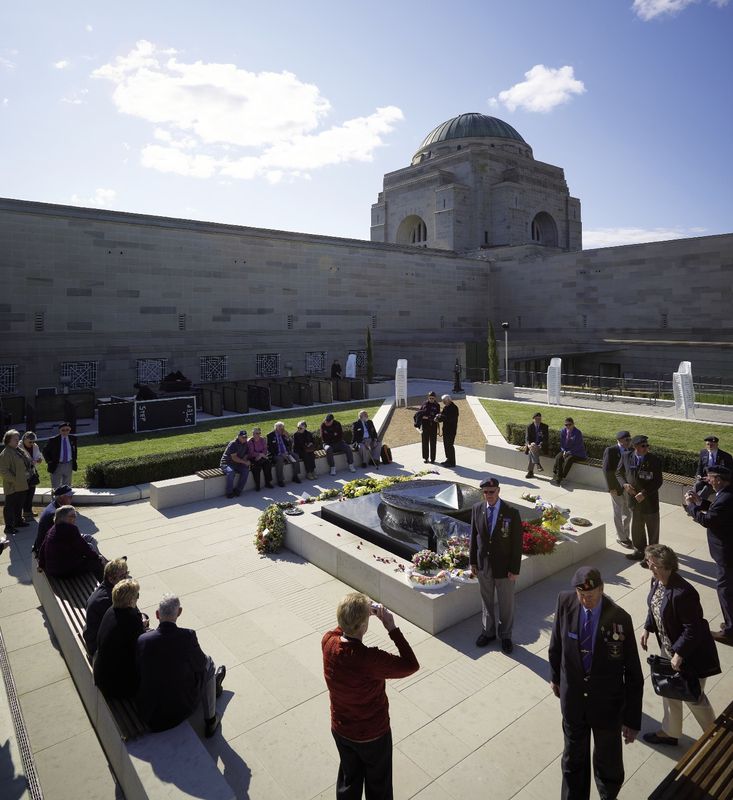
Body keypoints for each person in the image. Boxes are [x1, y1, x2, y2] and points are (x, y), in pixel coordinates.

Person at [548, 566, 643, 800]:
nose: (586, 600)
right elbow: (556, 645)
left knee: (608, 764)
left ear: (602, 589)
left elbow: (633, 673)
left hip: (606, 706)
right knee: (572, 762)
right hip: (574, 704)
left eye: (591, 595)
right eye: (582, 595)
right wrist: (556, 678)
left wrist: (631, 719)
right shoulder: (565, 602)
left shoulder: (620, 619)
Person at [322, 592, 419, 799]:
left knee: (349, 780)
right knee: (379, 786)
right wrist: (391, 628)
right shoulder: (369, 660)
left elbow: (342, 628)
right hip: (372, 734)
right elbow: (411, 665)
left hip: (341, 729)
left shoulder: (328, 642)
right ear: (364, 626)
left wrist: (356, 615)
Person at [640, 544, 720, 746]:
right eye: (649, 562)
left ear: (667, 566)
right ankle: (670, 732)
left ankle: (714, 735)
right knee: (669, 691)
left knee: (694, 697)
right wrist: (648, 628)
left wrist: (679, 653)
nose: (650, 567)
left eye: (653, 564)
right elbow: (654, 606)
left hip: (690, 654)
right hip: (669, 649)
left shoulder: (684, 592)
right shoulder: (657, 581)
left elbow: (692, 629)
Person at [136, 593, 226, 737]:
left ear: (157, 614)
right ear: (179, 612)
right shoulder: (187, 636)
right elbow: (201, 664)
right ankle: (211, 720)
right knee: (208, 663)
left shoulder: (143, 640)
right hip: (179, 710)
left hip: (151, 713)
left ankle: (214, 687)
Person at [469, 476, 522, 654]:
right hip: (484, 565)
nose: (488, 495)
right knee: (486, 601)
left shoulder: (511, 512)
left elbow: (516, 543)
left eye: (491, 492)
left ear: (498, 491)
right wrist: (473, 562)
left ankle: (505, 635)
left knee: (506, 603)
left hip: (504, 568)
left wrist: (514, 569)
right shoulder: (477, 509)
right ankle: (488, 632)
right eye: (485, 492)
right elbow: (474, 537)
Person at [684, 464, 733, 646]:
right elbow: (716, 510)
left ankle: (730, 632)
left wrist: (690, 507)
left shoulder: (726, 498)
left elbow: (708, 519)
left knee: (726, 592)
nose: (707, 480)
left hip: (727, 555)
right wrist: (699, 502)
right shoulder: (727, 495)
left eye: (710, 478)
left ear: (718, 480)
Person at [93, 578, 147, 699]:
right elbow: (142, 650)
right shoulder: (131, 622)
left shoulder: (111, 611)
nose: (138, 598)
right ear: (130, 600)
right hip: (116, 687)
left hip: (102, 675)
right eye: (137, 595)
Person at [616, 434, 663, 566]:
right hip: (634, 501)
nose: (646, 448)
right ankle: (639, 552)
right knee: (637, 528)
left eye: (647, 445)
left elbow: (658, 481)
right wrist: (624, 485)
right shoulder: (626, 456)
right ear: (635, 447)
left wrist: (644, 493)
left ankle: (651, 558)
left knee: (652, 530)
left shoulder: (654, 460)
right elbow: (619, 473)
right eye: (643, 446)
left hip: (649, 502)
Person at [37, 505, 106, 581]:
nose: (75, 518)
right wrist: (98, 558)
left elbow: (43, 547)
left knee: (90, 547)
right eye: (72, 516)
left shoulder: (53, 528)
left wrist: (41, 564)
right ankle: (105, 586)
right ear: (63, 517)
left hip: (53, 569)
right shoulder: (71, 529)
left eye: (75, 515)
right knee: (96, 564)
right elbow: (84, 549)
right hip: (63, 571)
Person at [83, 557, 131, 657]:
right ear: (111, 579)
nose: (127, 578)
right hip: (99, 647)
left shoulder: (106, 589)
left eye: (127, 573)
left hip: (93, 636)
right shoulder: (110, 600)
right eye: (122, 576)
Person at [602, 431, 633, 549]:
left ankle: (625, 535)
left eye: (630, 440)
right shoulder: (611, 450)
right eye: (627, 440)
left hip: (628, 487)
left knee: (628, 512)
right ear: (619, 440)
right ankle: (621, 538)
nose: (629, 442)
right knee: (618, 512)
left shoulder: (631, 450)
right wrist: (611, 488)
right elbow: (606, 470)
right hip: (616, 488)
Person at [0, 429, 30, 535]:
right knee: (10, 506)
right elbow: (4, 471)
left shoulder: (17, 450)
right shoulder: (6, 453)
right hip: (12, 485)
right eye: (15, 439)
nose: (17, 441)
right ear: (8, 440)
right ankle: (9, 527)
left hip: (21, 484)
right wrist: (14, 481)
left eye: (18, 439)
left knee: (19, 504)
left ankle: (18, 521)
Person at [33, 484, 74, 554]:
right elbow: (57, 537)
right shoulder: (54, 514)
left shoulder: (55, 505)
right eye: (69, 496)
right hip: (47, 549)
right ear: (61, 498)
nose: (71, 498)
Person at [693, 435, 733, 502]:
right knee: (697, 485)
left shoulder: (726, 456)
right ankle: (691, 501)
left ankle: (697, 505)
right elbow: (700, 466)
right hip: (704, 479)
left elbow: (727, 472)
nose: (710, 446)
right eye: (708, 444)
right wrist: (699, 475)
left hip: (717, 480)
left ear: (717, 445)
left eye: (712, 444)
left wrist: (711, 477)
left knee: (706, 488)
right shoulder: (703, 452)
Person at [552, 417, 587, 485]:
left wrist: (569, 452)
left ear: (573, 424)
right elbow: (562, 444)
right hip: (566, 450)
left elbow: (578, 446)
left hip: (577, 453)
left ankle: (560, 477)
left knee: (569, 459)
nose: (568, 426)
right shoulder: (563, 431)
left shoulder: (577, 433)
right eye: (566, 425)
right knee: (558, 457)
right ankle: (556, 473)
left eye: (569, 424)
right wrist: (564, 451)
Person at [43, 421, 78, 489]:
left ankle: (65, 499)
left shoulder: (73, 438)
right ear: (60, 430)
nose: (65, 432)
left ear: (70, 430)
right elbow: (45, 451)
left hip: (68, 464)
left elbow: (74, 450)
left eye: (67, 430)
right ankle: (55, 499)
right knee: (56, 487)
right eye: (63, 430)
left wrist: (74, 460)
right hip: (56, 465)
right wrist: (49, 461)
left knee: (67, 486)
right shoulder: (53, 440)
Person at [266, 422, 302, 487]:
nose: (281, 430)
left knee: (296, 456)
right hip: (276, 454)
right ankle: (280, 480)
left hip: (286, 452)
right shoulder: (270, 435)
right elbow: (270, 449)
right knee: (280, 460)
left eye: (282, 428)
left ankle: (295, 476)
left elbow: (290, 444)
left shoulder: (283, 434)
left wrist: (288, 437)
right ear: (276, 428)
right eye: (280, 428)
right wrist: (281, 454)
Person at [20, 431, 43, 521]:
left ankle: (28, 511)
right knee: (24, 494)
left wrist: (39, 459)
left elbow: (38, 456)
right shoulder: (19, 447)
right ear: (24, 439)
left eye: (33, 441)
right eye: (30, 442)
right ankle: (22, 513)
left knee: (31, 493)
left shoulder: (35, 446)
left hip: (32, 473)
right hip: (22, 474)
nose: (32, 443)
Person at [220, 429, 250, 498]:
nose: (245, 438)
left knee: (246, 470)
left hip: (238, 463)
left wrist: (246, 462)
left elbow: (246, 454)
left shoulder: (245, 443)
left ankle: (238, 490)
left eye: (246, 437)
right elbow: (234, 458)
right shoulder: (233, 444)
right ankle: (229, 492)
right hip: (227, 463)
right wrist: (244, 462)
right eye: (243, 437)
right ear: (238, 437)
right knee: (231, 472)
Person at [417, 391, 441, 464]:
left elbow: (438, 415)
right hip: (425, 426)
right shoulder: (424, 404)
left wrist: (428, 417)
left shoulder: (437, 405)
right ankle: (426, 458)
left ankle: (433, 459)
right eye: (430, 398)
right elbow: (419, 413)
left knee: (433, 443)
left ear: (435, 398)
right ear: (428, 397)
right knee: (425, 442)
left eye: (432, 398)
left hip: (433, 426)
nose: (431, 399)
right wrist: (423, 417)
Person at [436, 394, 459, 468]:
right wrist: (438, 418)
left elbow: (450, 419)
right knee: (446, 445)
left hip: (451, 430)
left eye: (444, 401)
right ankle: (448, 459)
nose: (443, 402)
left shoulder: (454, 408)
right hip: (445, 429)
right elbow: (442, 416)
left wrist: (442, 416)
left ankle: (452, 462)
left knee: (450, 445)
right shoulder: (446, 407)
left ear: (449, 400)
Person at [524, 411, 549, 478]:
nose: (538, 420)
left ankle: (530, 472)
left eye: (539, 419)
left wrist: (540, 445)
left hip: (541, 446)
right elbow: (527, 438)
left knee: (531, 452)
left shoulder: (545, 427)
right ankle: (537, 464)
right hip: (532, 446)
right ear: (533, 419)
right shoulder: (529, 426)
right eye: (536, 419)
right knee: (532, 449)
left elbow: (545, 439)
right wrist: (529, 445)